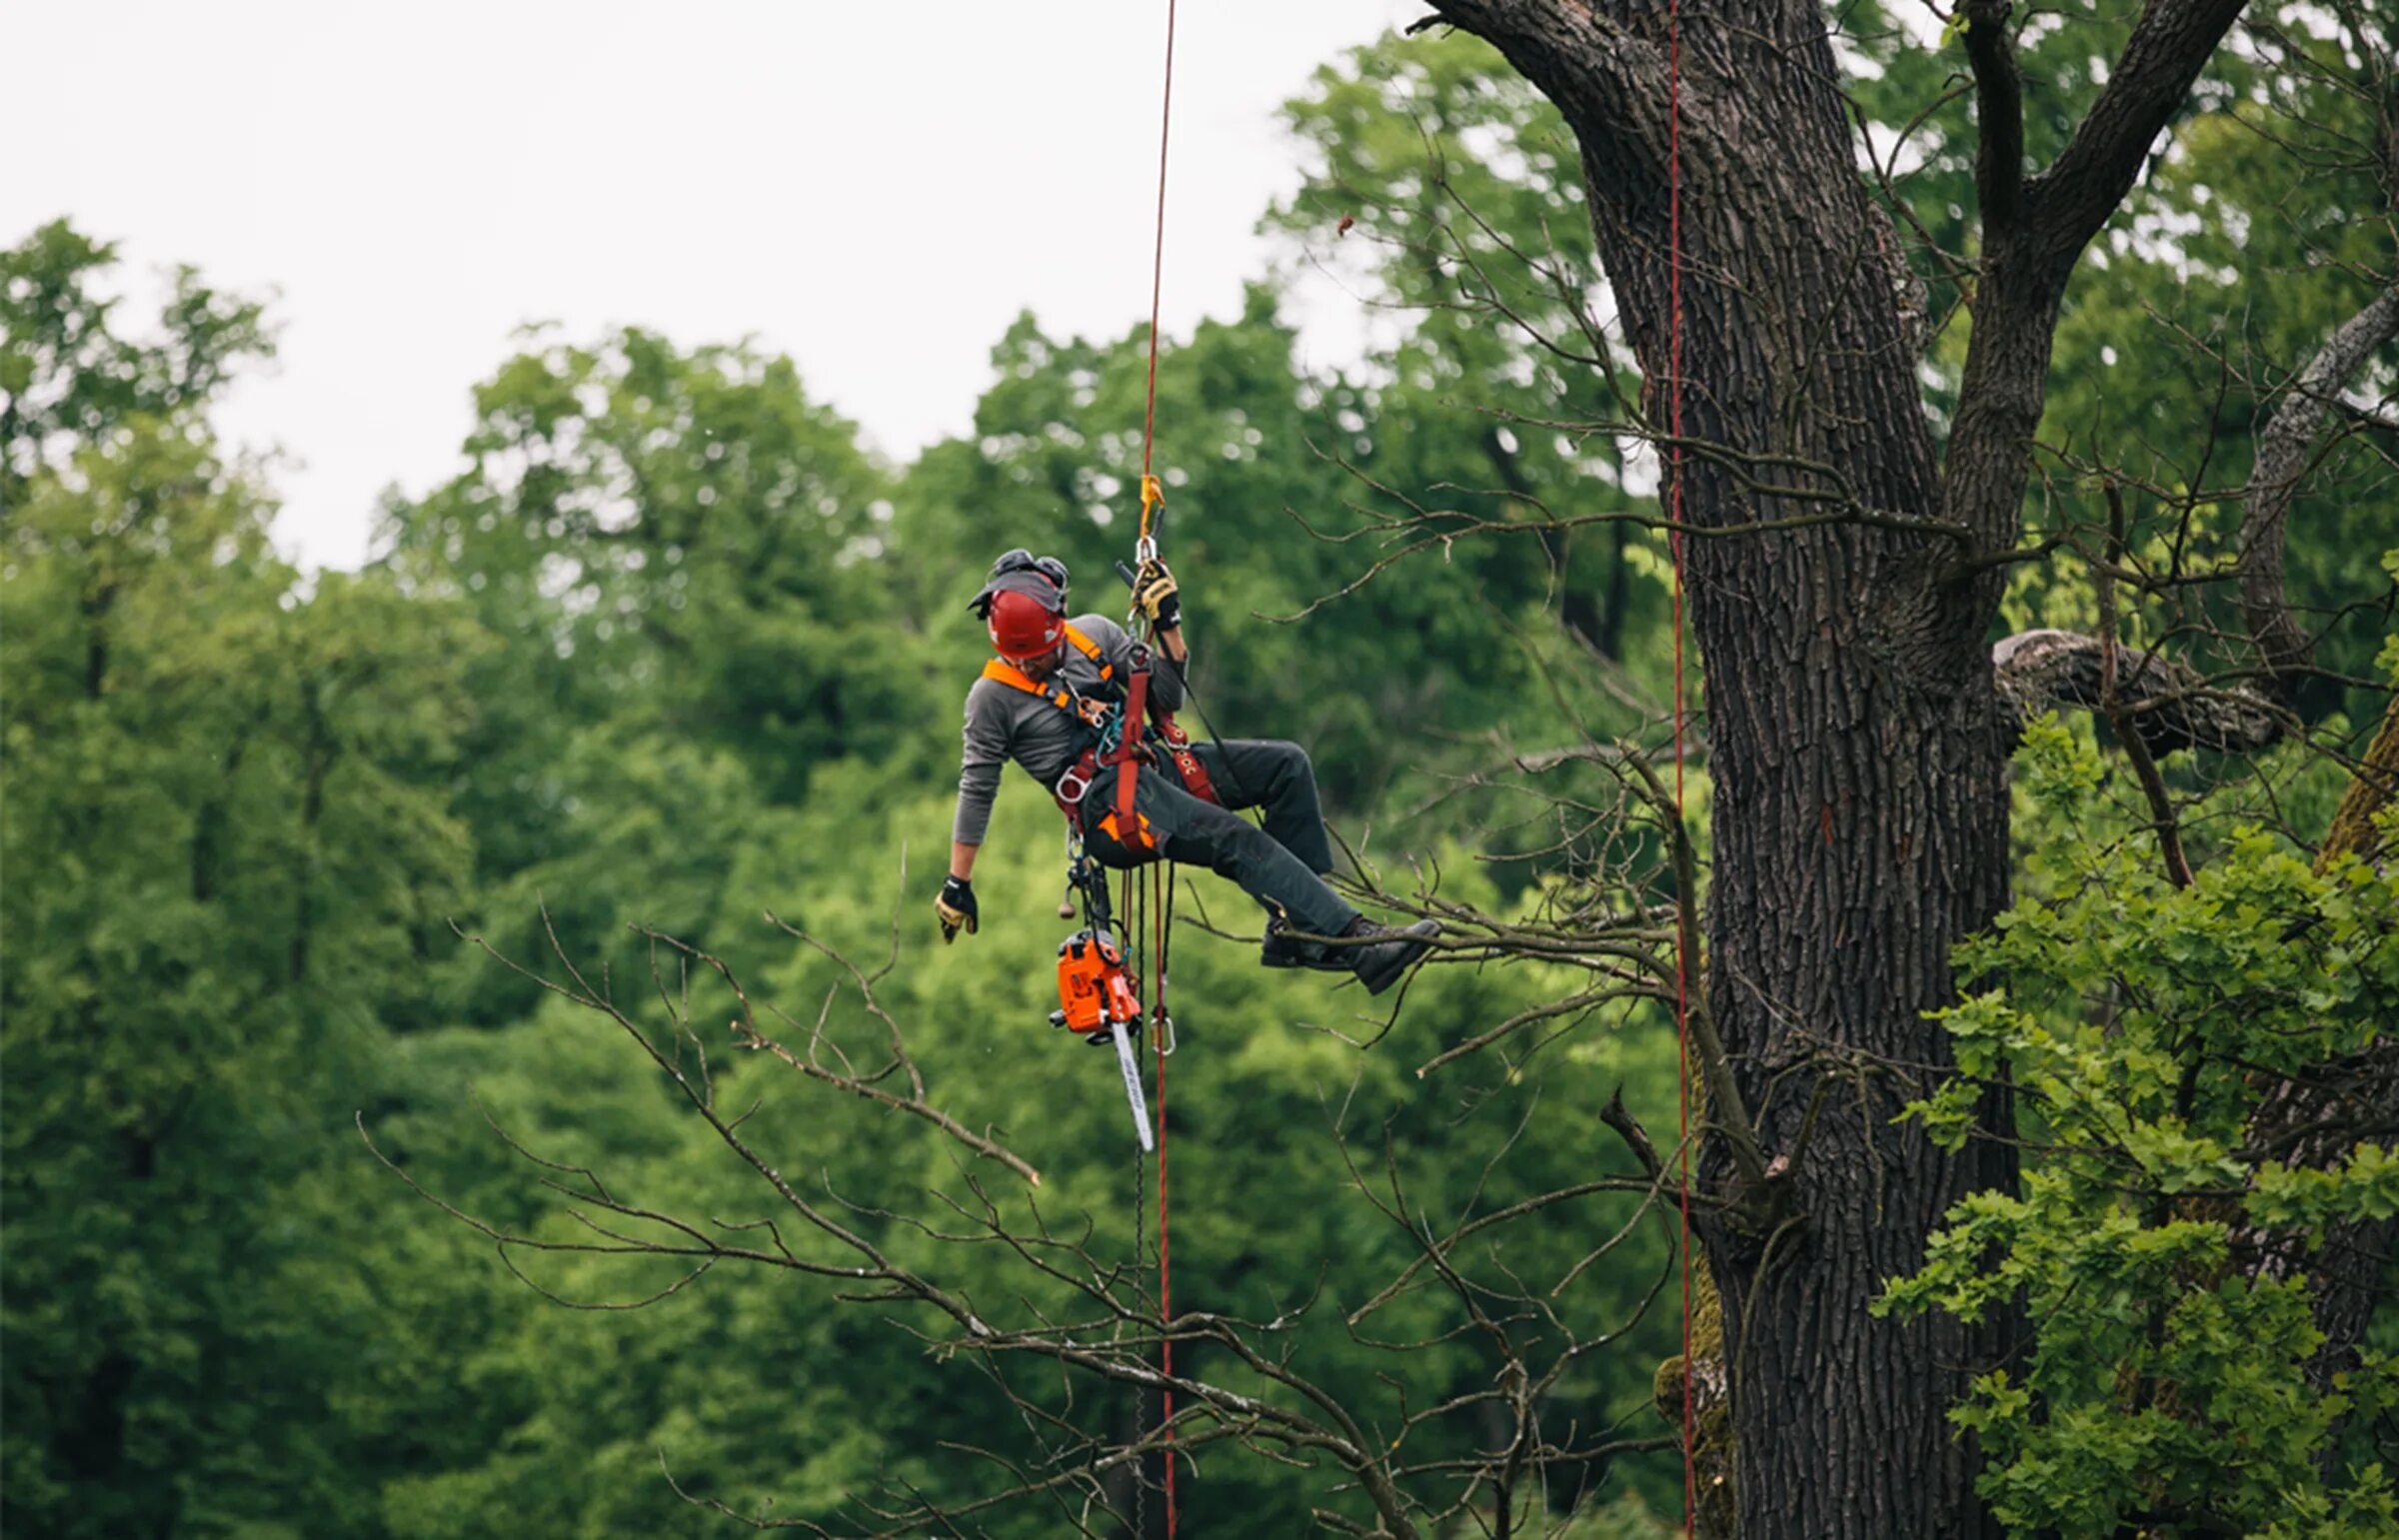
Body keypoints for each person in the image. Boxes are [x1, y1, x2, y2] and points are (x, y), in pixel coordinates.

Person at [934, 548, 1438, 995]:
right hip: (1110, 807)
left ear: (1059, 621)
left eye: (1038, 655)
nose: (1028, 667)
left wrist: (1170, 627)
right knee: (1235, 839)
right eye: (1017, 658)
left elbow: (1166, 699)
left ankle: (1293, 933)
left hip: (1155, 766)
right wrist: (959, 882)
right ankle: (1356, 942)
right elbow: (978, 788)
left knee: (1286, 765)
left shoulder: (1094, 636)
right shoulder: (991, 697)